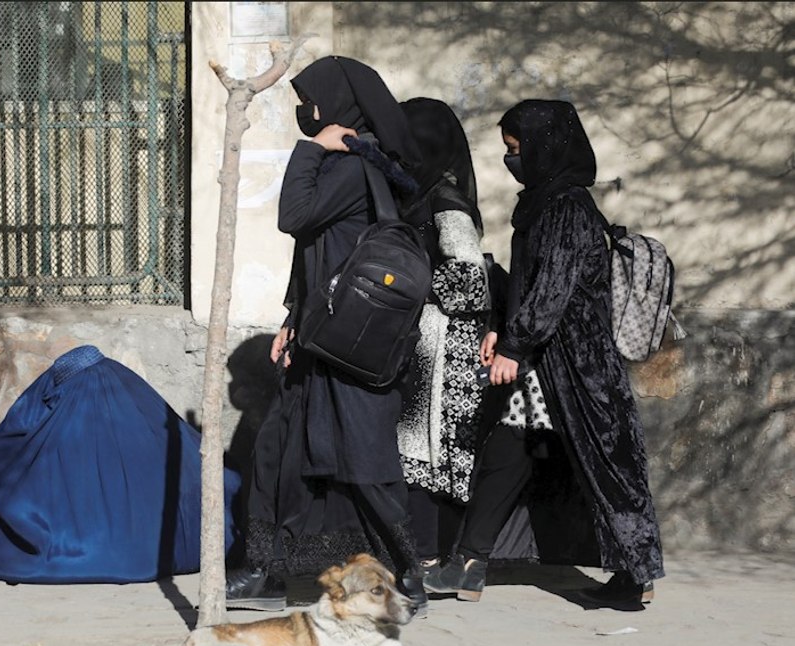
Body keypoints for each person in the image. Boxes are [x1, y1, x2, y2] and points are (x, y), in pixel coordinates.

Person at [424, 99, 665, 607]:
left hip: (578, 362)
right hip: (547, 359)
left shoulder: (566, 206)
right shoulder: (543, 203)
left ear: (544, 148)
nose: (512, 160)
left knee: (607, 461)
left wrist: (516, 342)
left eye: (518, 149)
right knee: (510, 448)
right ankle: (469, 563)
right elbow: (533, 282)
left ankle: (633, 571)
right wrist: (502, 331)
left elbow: (554, 286)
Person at [226, 56, 429, 613]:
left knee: (363, 460)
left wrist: (313, 147)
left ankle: (408, 574)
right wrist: (293, 318)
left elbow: (293, 216)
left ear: (339, 107)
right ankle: (266, 571)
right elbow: (317, 250)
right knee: (280, 450)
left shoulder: (355, 168)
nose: (304, 113)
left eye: (310, 101)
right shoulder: (352, 166)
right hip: (321, 335)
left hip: (351, 344)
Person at [0, 345, 243, 584]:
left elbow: (9, 449)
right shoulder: (151, 419)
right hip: (169, 552)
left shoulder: (54, 438)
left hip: (76, 551)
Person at [392, 98, 491, 581]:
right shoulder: (419, 196)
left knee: (428, 452)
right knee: (417, 451)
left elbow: (470, 286)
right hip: (426, 342)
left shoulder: (447, 203)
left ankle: (430, 555)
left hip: (445, 346)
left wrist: (410, 277)